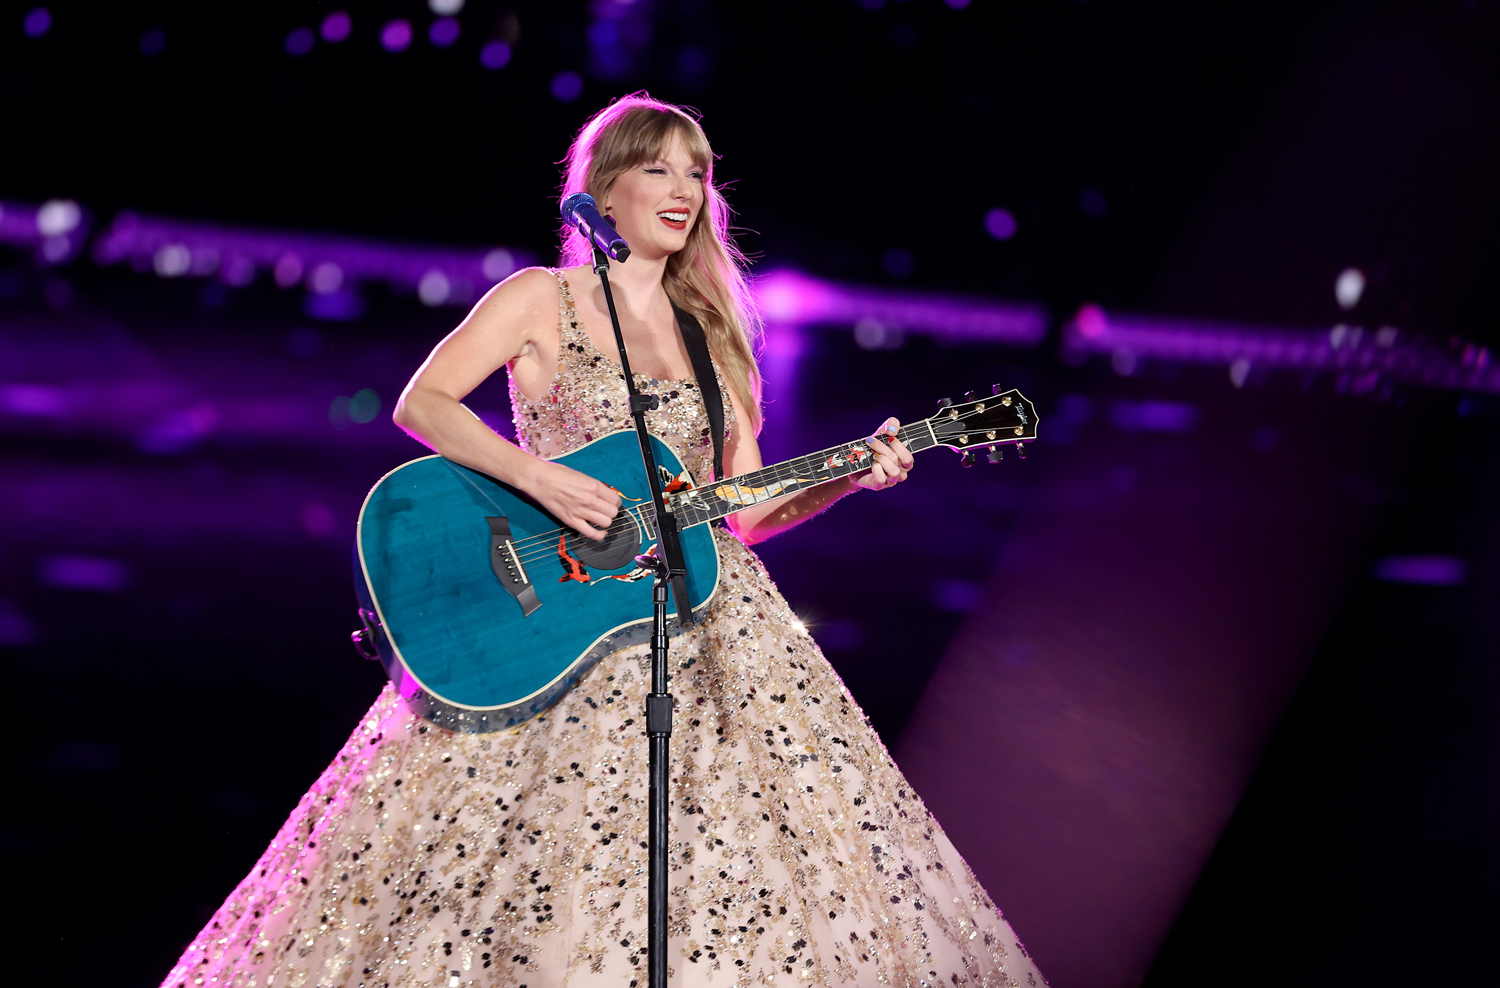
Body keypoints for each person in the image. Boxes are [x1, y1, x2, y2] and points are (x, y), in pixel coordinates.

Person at [161, 94, 1046, 988]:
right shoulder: (538, 298)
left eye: (696, 171)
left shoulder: (717, 335)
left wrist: (850, 474)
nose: (683, 189)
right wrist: (535, 475)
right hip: (552, 620)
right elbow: (421, 404)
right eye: (658, 167)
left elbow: (741, 512)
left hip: (708, 635)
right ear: (604, 189)